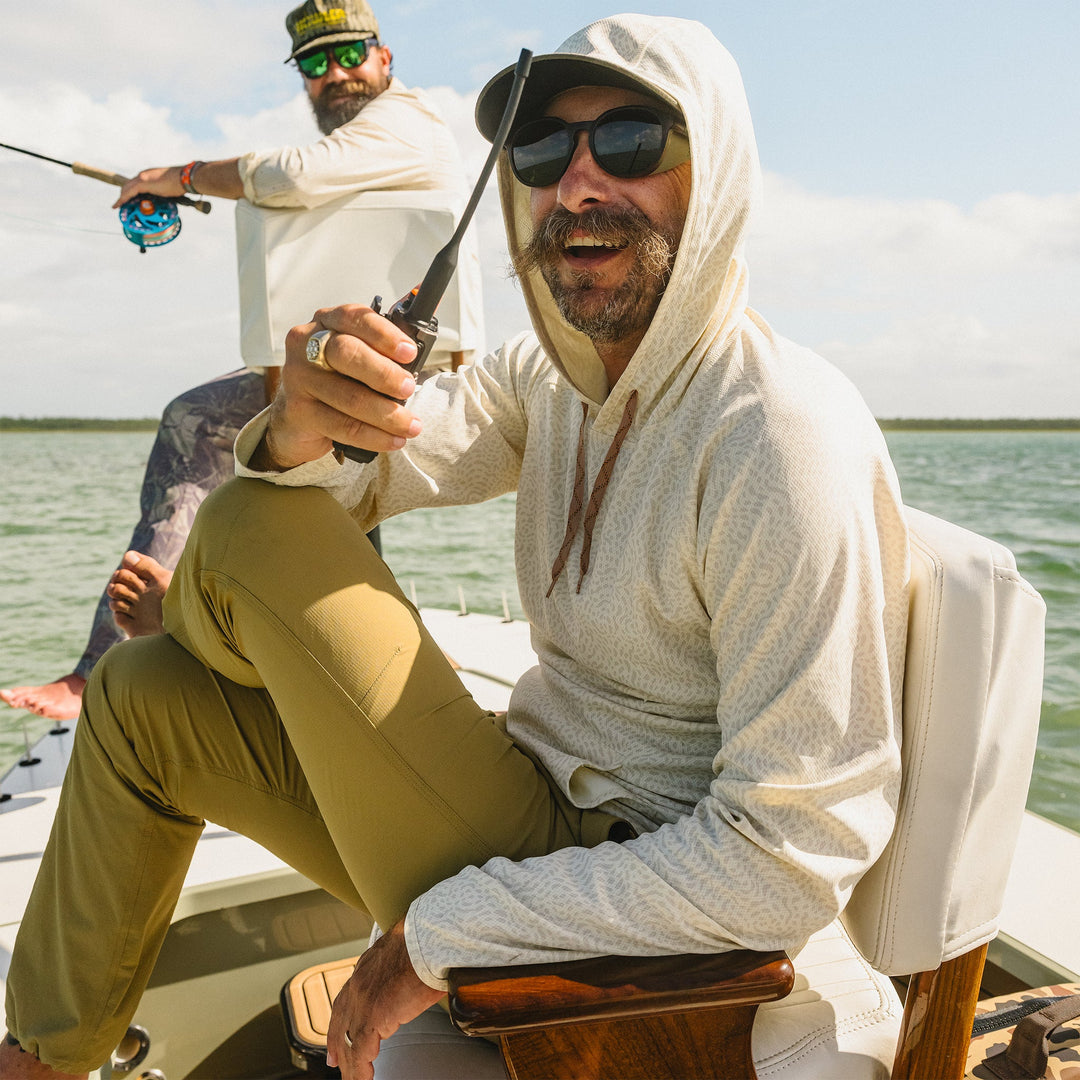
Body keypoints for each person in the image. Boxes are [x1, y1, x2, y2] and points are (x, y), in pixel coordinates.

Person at [1, 13, 911, 1080]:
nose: (575, 186)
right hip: (525, 789)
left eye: (628, 143)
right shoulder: (551, 378)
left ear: (716, 169)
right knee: (141, 696)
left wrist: (447, 936)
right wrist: (309, 422)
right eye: (539, 152)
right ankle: (41, 1059)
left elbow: (788, 865)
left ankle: (218, 630)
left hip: (626, 869)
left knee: (244, 524)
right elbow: (388, 462)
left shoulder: (775, 433)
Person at [0, 0, 479, 723]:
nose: (334, 73)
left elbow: (289, 177)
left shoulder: (406, 121)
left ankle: (128, 650)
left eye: (350, 54)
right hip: (329, 367)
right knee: (333, 507)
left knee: (200, 423)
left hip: (398, 373)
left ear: (385, 59)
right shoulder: (369, 150)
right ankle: (383, 675)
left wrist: (180, 174)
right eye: (314, 64)